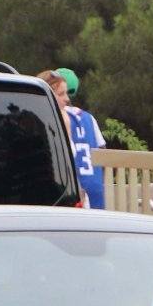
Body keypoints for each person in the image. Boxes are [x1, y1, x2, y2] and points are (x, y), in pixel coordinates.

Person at [39, 69, 107, 209]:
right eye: (61, 94)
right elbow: (102, 151)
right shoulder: (88, 118)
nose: (66, 99)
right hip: (94, 191)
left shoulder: (55, 118)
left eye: (65, 93)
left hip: (73, 193)